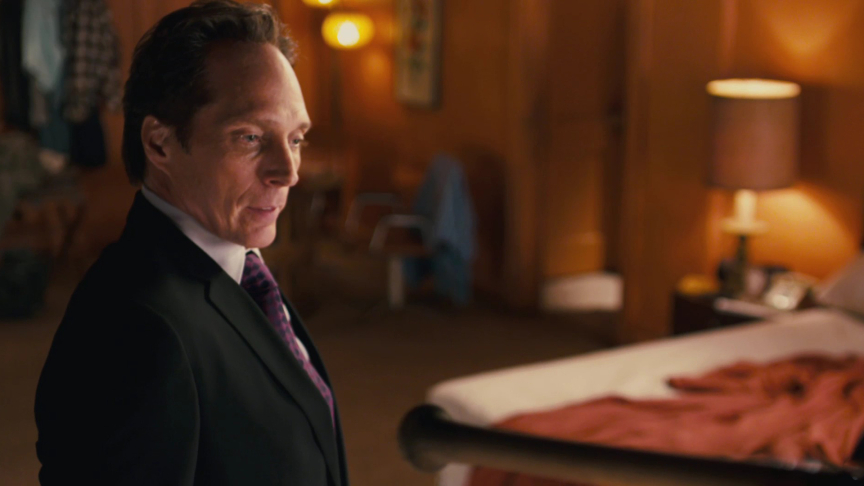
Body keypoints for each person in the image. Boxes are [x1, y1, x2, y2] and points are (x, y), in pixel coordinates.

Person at [33, 2, 348, 485]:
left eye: (296, 139)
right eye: (250, 137)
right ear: (159, 144)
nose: (288, 172)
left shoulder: (239, 269)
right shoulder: (136, 328)